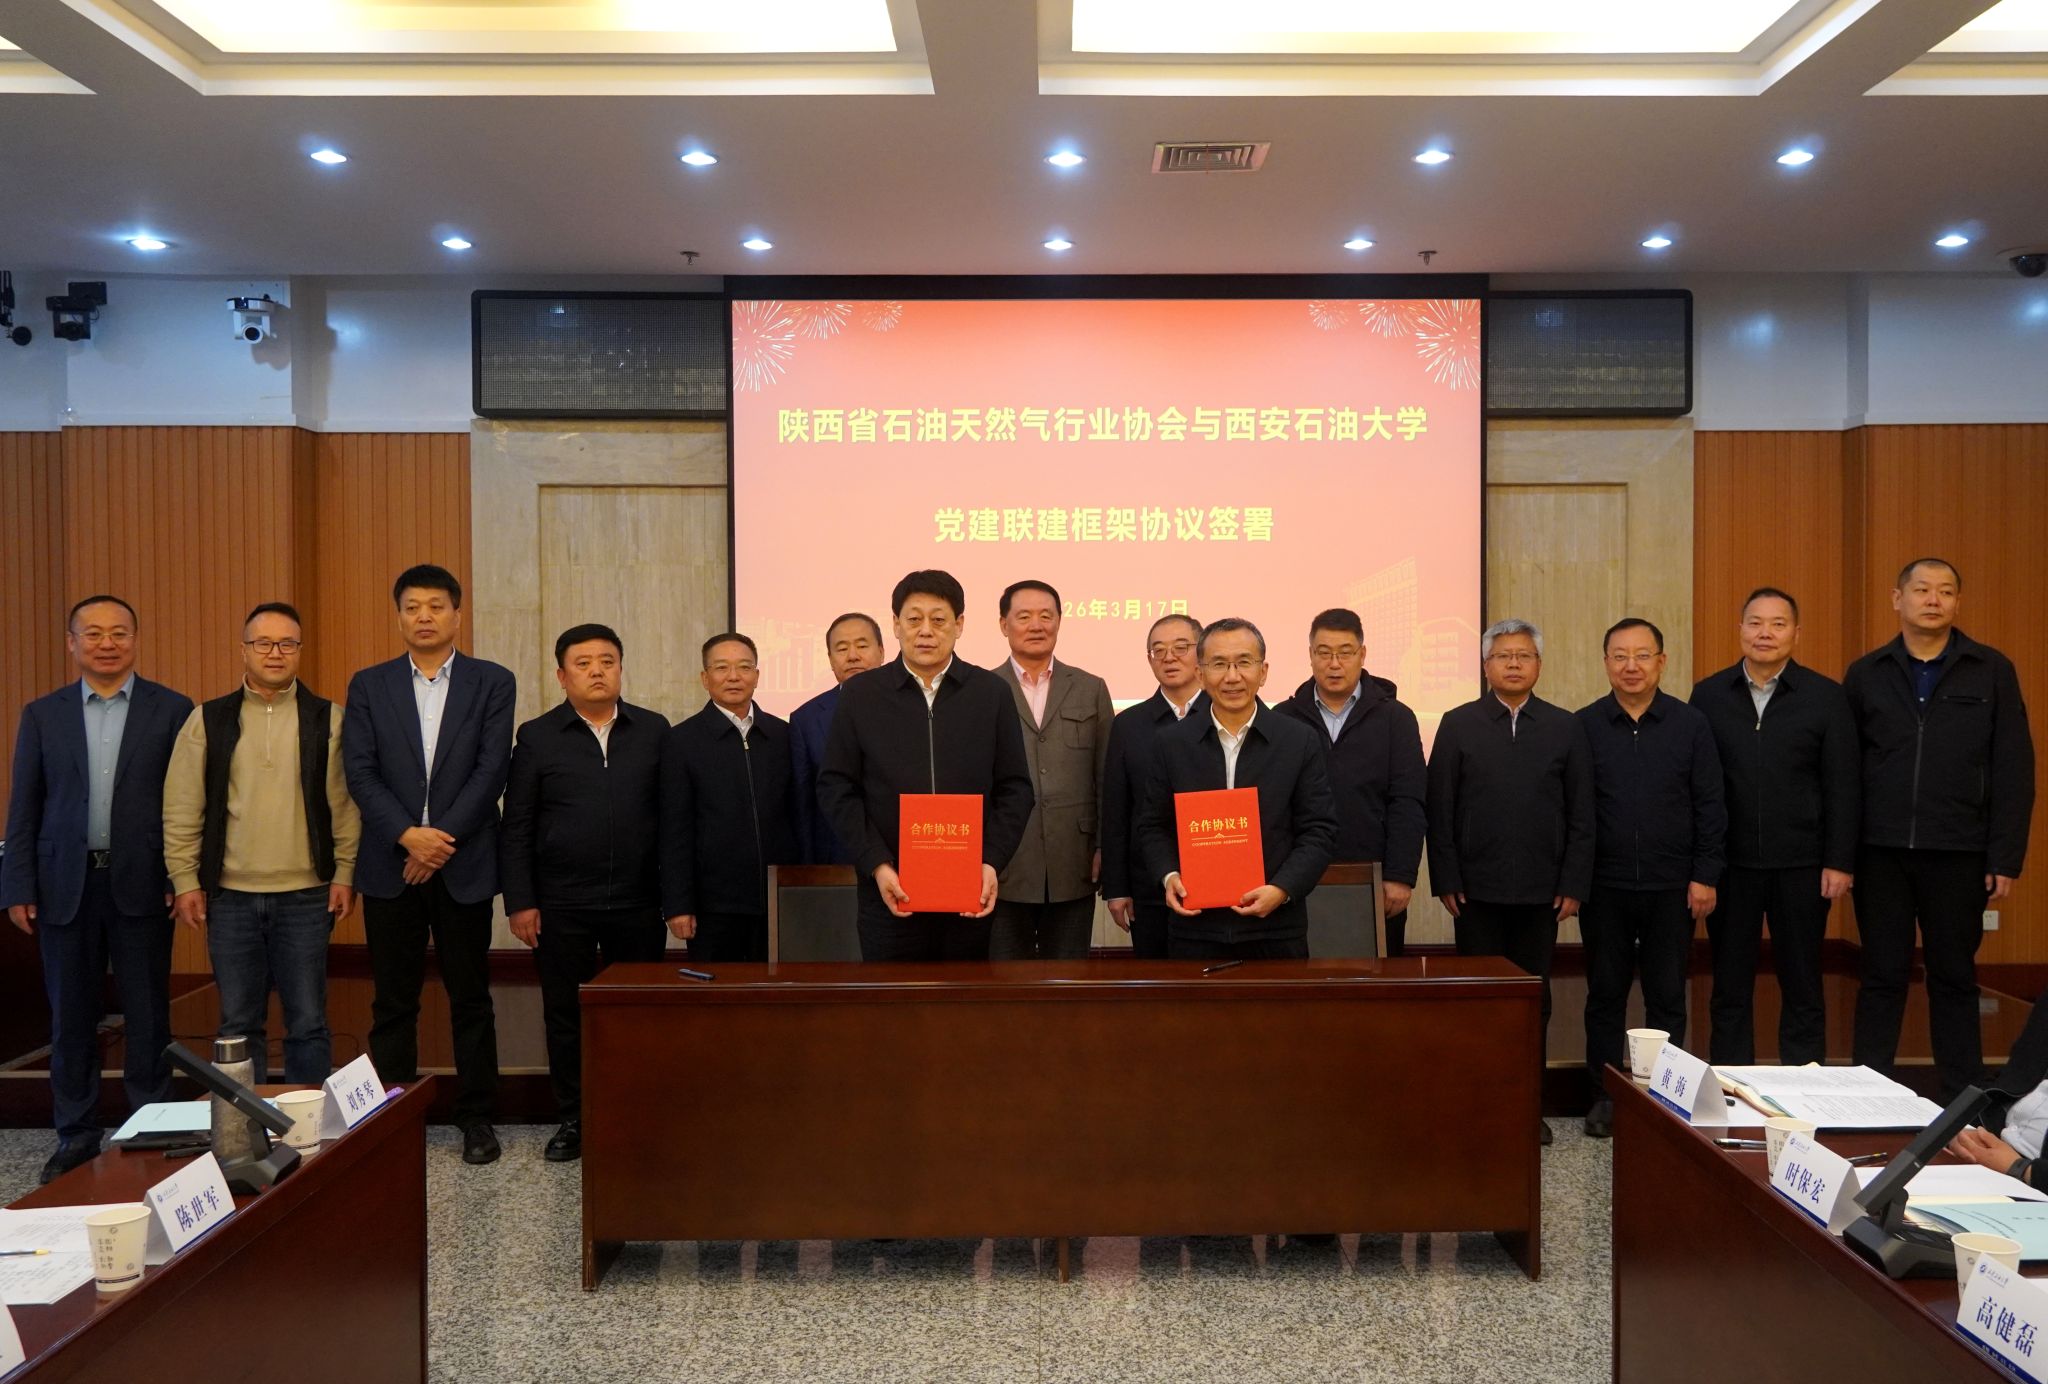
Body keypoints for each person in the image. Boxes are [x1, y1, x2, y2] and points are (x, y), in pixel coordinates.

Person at [2, 596, 191, 1184]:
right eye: (93, 633)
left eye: (119, 633)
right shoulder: (43, 714)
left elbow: (187, 804)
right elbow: (24, 806)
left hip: (144, 883)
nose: (107, 643)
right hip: (65, 884)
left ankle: (149, 1129)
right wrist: (17, 885)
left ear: (135, 639)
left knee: (148, 1015)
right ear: (72, 643)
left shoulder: (173, 709)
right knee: (72, 1017)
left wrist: (179, 876)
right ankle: (76, 1135)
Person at [342, 564, 516, 1166]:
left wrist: (438, 843)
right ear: (398, 617)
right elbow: (360, 770)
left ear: (457, 615)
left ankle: (477, 1117)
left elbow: (491, 770)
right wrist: (407, 837)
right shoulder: (369, 684)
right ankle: (394, 1119)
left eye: (436, 606)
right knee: (393, 1001)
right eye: (413, 606)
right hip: (391, 864)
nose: (424, 616)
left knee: (471, 997)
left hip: (463, 864)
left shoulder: (493, 682)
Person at [1845, 558, 2035, 1101]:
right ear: (1897, 598)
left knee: (1954, 977)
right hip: (1880, 851)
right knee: (1881, 975)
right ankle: (1867, 1095)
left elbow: (2014, 767)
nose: (1933, 600)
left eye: (1946, 591)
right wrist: (1842, 852)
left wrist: (2004, 856)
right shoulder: (1866, 673)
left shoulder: (1990, 669)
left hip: (1960, 851)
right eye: (1922, 589)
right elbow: (1845, 771)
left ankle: (1961, 1100)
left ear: (1957, 602)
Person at [162, 602, 360, 1087]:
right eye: (264, 643)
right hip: (229, 897)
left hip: (307, 895)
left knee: (308, 1021)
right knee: (237, 1023)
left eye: (287, 643)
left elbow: (344, 805)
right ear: (244, 650)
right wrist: (185, 880)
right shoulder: (207, 719)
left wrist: (345, 873)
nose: (275, 653)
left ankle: (308, 1124)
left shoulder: (329, 719)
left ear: (299, 651)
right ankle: (242, 1126)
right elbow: (183, 807)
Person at [500, 623, 668, 1163]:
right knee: (565, 1015)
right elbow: (517, 825)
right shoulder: (537, 736)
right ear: (561, 675)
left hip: (638, 902)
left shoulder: (653, 730)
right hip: (561, 905)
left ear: (620, 669)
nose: (597, 671)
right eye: (583, 663)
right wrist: (521, 901)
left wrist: (675, 899)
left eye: (607, 661)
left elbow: (672, 822)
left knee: (636, 1015)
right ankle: (574, 1118)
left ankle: (635, 1114)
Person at [1426, 618, 1594, 1147]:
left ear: (1539, 665)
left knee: (1533, 1001)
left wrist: (1573, 882)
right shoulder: (1458, 724)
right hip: (1474, 894)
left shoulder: (1565, 727)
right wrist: (1446, 878)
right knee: (1480, 1002)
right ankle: (1480, 1106)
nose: (1514, 664)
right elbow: (1440, 809)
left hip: (1542, 895)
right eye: (1503, 656)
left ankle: (1527, 1108)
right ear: (1486, 666)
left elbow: (1582, 813)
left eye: (1524, 655)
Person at [817, 569, 1034, 962]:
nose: (926, 631)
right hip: (889, 889)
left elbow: (1015, 789)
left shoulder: (991, 693)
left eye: (939, 620)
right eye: (914, 619)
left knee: (964, 997)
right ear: (896, 625)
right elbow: (837, 787)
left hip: (970, 888)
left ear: (959, 625)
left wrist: (990, 861)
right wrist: (877, 864)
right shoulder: (862, 695)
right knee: (893, 998)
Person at [1689, 587, 1858, 1068]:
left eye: (1778, 624)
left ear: (1796, 633)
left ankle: (1805, 1088)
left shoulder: (1826, 697)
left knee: (1803, 983)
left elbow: (1843, 784)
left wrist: (1839, 860)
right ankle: (1729, 1084)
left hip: (1802, 864)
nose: (1765, 633)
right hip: (1731, 865)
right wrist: (1702, 864)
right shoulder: (1708, 695)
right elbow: (1696, 784)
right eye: (1755, 622)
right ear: (1740, 629)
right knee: (1729, 984)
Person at [1575, 618, 1725, 1138]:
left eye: (1642, 655)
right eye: (1620, 656)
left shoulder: (1691, 724)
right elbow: (1574, 810)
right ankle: (1604, 1095)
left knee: (1667, 997)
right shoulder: (1585, 726)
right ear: (1606, 663)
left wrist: (1705, 874)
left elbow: (1710, 804)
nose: (1631, 666)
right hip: (1605, 885)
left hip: (1672, 885)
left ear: (1662, 662)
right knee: (1604, 995)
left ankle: (1666, 1098)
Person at [1137, 618, 1338, 960]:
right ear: (1200, 674)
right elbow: (1152, 826)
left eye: (1244, 662)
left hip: (1276, 929)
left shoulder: (1297, 741)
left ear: (1263, 672)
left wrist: (1282, 889)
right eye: (1219, 664)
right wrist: (1168, 876)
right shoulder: (1171, 744)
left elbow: (1319, 829)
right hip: (1195, 928)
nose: (1232, 677)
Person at [1272, 608, 1426, 956]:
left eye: (1345, 652)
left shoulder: (1396, 718)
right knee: (1302, 977)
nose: (1334, 664)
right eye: (1324, 653)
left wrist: (1400, 875)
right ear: (1310, 655)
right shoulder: (1283, 719)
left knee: (1374, 980)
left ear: (1362, 654)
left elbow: (1408, 801)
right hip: (1297, 879)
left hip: (1374, 877)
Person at [990, 580, 1115, 960]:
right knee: (1004, 979)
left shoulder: (1090, 688)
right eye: (1024, 616)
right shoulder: (983, 689)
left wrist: (1103, 845)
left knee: (1069, 978)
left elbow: (1106, 777)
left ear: (1060, 621)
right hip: (1004, 864)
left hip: (1074, 860)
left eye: (1046, 616)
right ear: (1003, 624)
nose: (1036, 625)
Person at [660, 632, 801, 963]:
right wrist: (678, 904)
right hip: (714, 905)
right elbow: (674, 829)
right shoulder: (681, 741)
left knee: (780, 990)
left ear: (757, 675)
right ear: (705, 678)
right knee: (719, 991)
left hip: (780, 898)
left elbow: (797, 814)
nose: (734, 676)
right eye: (722, 668)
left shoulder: (783, 735)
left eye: (744, 667)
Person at [1101, 615, 1209, 959]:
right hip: (1149, 883)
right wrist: (1116, 888)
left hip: (1216, 877)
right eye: (1158, 650)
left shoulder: (1224, 714)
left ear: (1202, 653)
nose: (1169, 657)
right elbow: (1116, 810)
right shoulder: (1129, 724)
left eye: (1181, 647)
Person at [790, 612, 886, 864]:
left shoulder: (911, 706)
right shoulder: (806, 719)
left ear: (881, 652)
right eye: (842, 649)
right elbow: (803, 804)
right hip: (836, 861)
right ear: (831, 660)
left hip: (901, 855)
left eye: (862, 646)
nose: (852, 656)